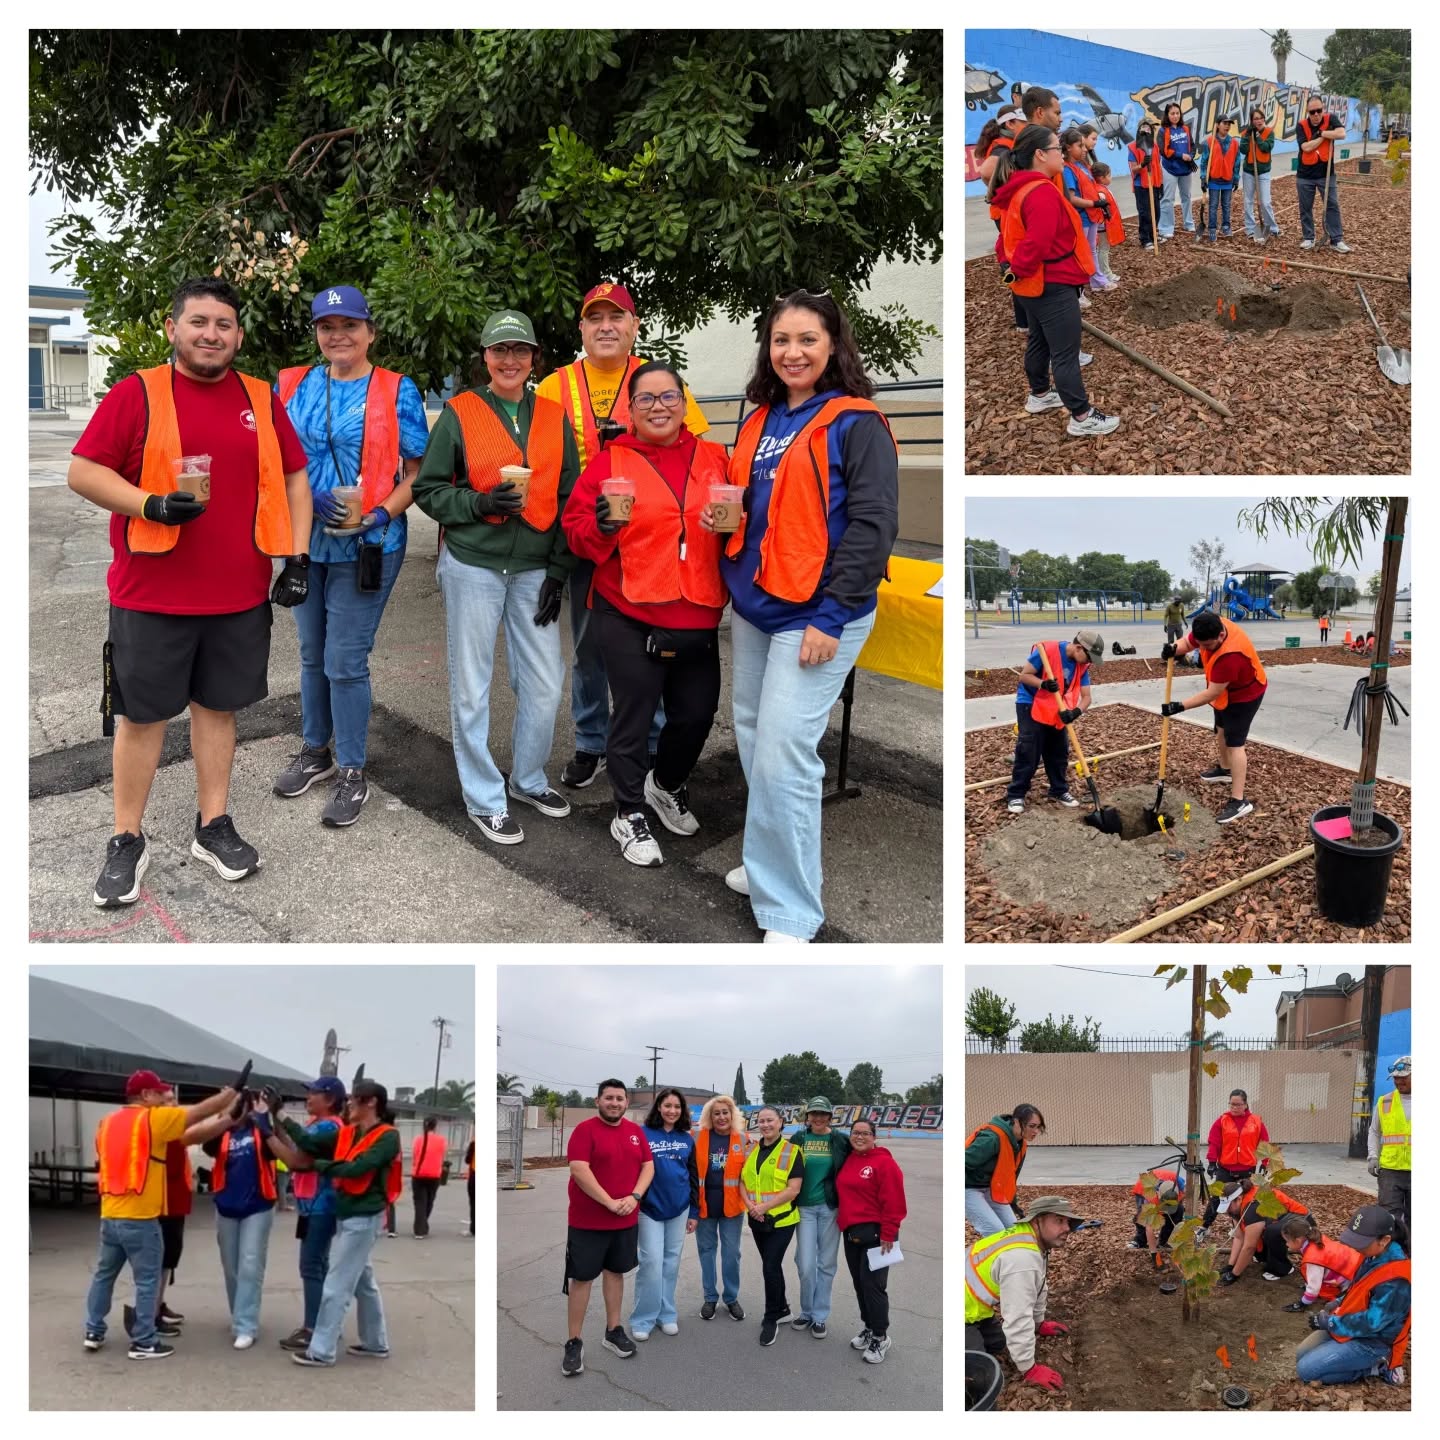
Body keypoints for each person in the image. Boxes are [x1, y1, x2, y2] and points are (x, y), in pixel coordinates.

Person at [68, 276, 313, 907]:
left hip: (237, 595)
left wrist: (298, 555)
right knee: (142, 718)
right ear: (174, 328)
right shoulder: (138, 392)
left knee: (218, 711)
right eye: (199, 322)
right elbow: (84, 471)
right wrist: (148, 503)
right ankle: (127, 837)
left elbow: (293, 476)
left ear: (238, 334)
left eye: (224, 325)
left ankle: (213, 824)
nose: (212, 334)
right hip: (151, 594)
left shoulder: (259, 397)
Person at [719, 291, 899, 942]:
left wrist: (832, 615)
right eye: (780, 340)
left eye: (807, 340)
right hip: (756, 605)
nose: (792, 352)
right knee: (753, 737)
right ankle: (765, 862)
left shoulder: (857, 423)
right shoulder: (759, 419)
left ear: (833, 347)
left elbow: (874, 527)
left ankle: (791, 911)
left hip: (817, 614)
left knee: (784, 757)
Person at [412, 309, 580, 844]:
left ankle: (528, 778)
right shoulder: (460, 412)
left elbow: (569, 497)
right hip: (473, 565)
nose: (510, 360)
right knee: (472, 688)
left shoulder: (554, 416)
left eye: (520, 351)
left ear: (535, 358)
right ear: (485, 357)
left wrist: (558, 569)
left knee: (545, 682)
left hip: (534, 568)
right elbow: (429, 490)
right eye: (499, 350)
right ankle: (484, 796)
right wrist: (480, 502)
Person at [535, 282, 709, 789]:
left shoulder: (655, 379)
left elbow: (694, 448)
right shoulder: (554, 386)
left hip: (652, 540)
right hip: (589, 533)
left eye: (618, 317)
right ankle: (591, 741)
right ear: (583, 329)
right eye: (596, 318)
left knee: (652, 646)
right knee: (590, 647)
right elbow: (542, 466)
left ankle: (650, 744)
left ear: (634, 327)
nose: (606, 326)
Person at [560, 362, 731, 867]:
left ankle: (666, 785)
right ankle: (628, 810)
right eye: (646, 399)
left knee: (697, 715)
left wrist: (728, 529)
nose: (659, 407)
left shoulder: (718, 458)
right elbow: (577, 535)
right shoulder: (611, 461)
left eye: (669, 397)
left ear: (684, 402)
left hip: (697, 609)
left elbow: (748, 523)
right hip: (627, 607)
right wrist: (604, 528)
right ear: (630, 410)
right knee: (632, 715)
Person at [271, 285, 429, 826]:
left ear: (369, 332)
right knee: (312, 653)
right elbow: (273, 459)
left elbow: (416, 472)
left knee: (344, 659)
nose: (338, 335)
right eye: (326, 326)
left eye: (349, 325)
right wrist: (303, 496)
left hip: (369, 545)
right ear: (316, 333)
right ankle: (316, 750)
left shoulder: (395, 389)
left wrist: (381, 513)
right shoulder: (292, 384)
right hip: (303, 543)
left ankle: (353, 769)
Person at [85, 1070, 237, 1358]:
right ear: (145, 1096)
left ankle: (93, 1330)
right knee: (147, 1281)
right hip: (141, 1217)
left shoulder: (106, 1123)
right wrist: (227, 1098)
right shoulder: (150, 1119)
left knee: (104, 1276)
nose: (162, 1099)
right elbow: (196, 1114)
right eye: (158, 1094)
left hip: (110, 1213)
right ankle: (143, 1341)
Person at [990, 128, 1118, 437]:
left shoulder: (1018, 189)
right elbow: (1037, 242)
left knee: (1040, 341)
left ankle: (1040, 394)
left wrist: (1012, 272)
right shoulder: (1041, 192)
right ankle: (1081, 415)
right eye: (1056, 147)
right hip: (1051, 283)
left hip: (1032, 286)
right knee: (1065, 352)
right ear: (1040, 154)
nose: (1061, 152)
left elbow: (1004, 240)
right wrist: (1016, 270)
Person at [276, 1078, 401, 1366]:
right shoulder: (348, 1133)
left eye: (354, 1099)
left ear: (371, 1103)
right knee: (363, 1283)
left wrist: (320, 1166)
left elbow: (358, 1169)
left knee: (337, 1284)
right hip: (348, 1214)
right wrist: (280, 1115)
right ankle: (375, 1343)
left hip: (365, 1216)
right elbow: (308, 1142)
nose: (349, 1104)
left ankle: (321, 1350)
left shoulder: (387, 1136)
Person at [121, 1080, 238, 1344]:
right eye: (168, 1100)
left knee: (167, 1261)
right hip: (163, 1203)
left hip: (173, 1202)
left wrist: (224, 1116)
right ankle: (148, 1316)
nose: (174, 1104)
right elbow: (197, 1131)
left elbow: (196, 1129)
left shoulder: (162, 1124)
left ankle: (155, 1308)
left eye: (174, 1100)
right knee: (159, 1263)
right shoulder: (160, 1127)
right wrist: (226, 1115)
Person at [561, 1079, 654, 1377]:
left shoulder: (635, 1132)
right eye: (609, 1098)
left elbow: (647, 1166)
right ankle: (574, 1341)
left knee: (615, 1274)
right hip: (587, 1223)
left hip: (624, 1222)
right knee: (582, 1279)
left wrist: (634, 1196)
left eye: (620, 1098)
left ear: (627, 1102)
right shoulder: (584, 1130)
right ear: (598, 1101)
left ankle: (613, 1330)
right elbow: (579, 1169)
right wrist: (610, 1202)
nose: (615, 1103)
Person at [964, 1195, 1086, 1393]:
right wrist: (1029, 1369)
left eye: (1068, 1222)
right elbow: (1018, 1317)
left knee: (998, 1344)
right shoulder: (1022, 1258)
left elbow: (1039, 1285)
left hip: (975, 1304)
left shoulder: (1029, 1238)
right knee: (976, 1375)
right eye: (1059, 1220)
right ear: (1037, 1220)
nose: (1067, 1228)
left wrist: (1038, 1323)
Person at [263, 1076, 346, 1353]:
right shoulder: (316, 1125)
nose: (308, 1097)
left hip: (320, 1206)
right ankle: (325, 1323)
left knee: (311, 1267)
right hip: (313, 1206)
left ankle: (314, 1328)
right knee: (317, 1266)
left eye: (314, 1093)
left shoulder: (329, 1127)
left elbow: (296, 1161)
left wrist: (267, 1132)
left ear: (330, 1099)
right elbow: (295, 1143)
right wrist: (275, 1122)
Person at [1161, 610, 1268, 824]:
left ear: (1220, 636)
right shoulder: (1208, 627)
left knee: (1235, 744)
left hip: (1245, 694)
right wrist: (1174, 648)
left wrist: (1178, 706)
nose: (1203, 649)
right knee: (1220, 731)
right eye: (1202, 645)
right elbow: (1189, 642)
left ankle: (1239, 801)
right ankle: (1225, 770)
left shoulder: (1230, 656)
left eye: (1207, 646)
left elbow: (1211, 693)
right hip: (1225, 693)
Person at [1294, 1205, 1408, 1385]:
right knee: (1301, 1354)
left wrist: (1331, 1323)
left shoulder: (1396, 1281)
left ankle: (1378, 1365)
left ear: (1384, 1240)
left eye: (1361, 1242)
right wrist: (1339, 1301)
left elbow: (1373, 1323)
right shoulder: (1372, 1255)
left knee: (1306, 1371)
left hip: (1373, 1341)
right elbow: (1359, 1289)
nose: (1355, 1247)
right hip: (1349, 1321)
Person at [202, 1089, 280, 1348]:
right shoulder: (222, 1133)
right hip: (226, 1206)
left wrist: (266, 1116)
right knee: (231, 1267)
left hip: (257, 1206)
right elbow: (207, 1145)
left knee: (250, 1264)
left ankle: (246, 1324)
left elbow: (277, 1148)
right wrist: (223, 1118)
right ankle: (239, 1314)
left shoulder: (260, 1131)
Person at [836, 1116, 907, 1365]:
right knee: (859, 1283)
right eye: (856, 1132)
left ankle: (881, 1336)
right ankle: (868, 1327)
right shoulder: (850, 1159)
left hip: (879, 1234)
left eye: (865, 1133)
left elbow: (895, 1202)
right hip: (852, 1232)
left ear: (874, 1136)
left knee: (873, 1286)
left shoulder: (884, 1164)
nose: (860, 1137)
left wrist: (889, 1232)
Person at [629, 1088, 698, 1341]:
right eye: (668, 1105)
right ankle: (643, 1318)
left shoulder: (687, 1138)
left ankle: (666, 1314)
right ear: (659, 1107)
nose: (672, 1111)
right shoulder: (643, 1134)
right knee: (651, 1263)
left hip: (679, 1210)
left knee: (671, 1264)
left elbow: (693, 1177)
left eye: (677, 1107)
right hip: (649, 1210)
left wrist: (695, 1211)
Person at [1005, 632, 1100, 814]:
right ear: (1079, 647)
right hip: (1031, 704)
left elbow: (1087, 697)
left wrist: (1075, 712)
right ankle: (1016, 794)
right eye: (1089, 657)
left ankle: (1059, 790)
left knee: (1059, 751)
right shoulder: (1047, 651)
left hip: (1057, 708)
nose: (1090, 662)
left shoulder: (1082, 666)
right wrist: (1043, 684)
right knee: (1029, 750)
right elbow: (1024, 676)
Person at [787, 1097, 853, 1338]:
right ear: (808, 1116)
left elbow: (859, 1157)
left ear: (829, 1116)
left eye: (822, 1114)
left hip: (829, 1208)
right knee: (805, 1265)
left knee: (826, 1263)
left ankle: (819, 1316)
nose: (818, 1118)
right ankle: (806, 1311)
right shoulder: (799, 1139)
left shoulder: (839, 1140)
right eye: (814, 1113)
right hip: (804, 1208)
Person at [741, 1106, 805, 1346]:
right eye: (761, 1121)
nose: (765, 1124)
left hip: (782, 1220)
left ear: (781, 1122)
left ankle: (771, 1317)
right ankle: (783, 1308)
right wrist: (750, 1206)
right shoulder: (751, 1149)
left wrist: (764, 1208)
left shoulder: (792, 1151)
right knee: (772, 1266)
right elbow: (742, 1181)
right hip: (757, 1219)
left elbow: (793, 1189)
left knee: (770, 1266)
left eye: (770, 1120)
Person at [692, 1094, 751, 1322]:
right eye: (716, 1113)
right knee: (706, 1252)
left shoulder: (743, 1139)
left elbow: (750, 1175)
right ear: (710, 1116)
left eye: (725, 1112)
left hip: (732, 1209)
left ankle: (731, 1298)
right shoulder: (697, 1136)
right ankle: (709, 1298)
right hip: (704, 1207)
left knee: (731, 1255)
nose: (721, 1117)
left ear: (732, 1115)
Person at [976, 108, 1032, 330]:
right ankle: (1025, 320)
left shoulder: (1008, 144)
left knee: (1014, 260)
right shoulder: (1002, 146)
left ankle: (1024, 319)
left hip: (1008, 212)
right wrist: (1003, 193)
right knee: (1017, 261)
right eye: (1023, 122)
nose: (1026, 126)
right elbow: (986, 172)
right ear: (1010, 124)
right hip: (1007, 214)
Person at [965, 1105, 1045, 1235]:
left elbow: (1010, 1177)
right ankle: (990, 1255)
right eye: (1031, 1126)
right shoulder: (992, 1138)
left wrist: (1013, 1204)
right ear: (1017, 1122)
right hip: (968, 1188)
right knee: (996, 1232)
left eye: (1038, 1127)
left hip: (991, 1189)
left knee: (1015, 1230)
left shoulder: (1020, 1144)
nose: (1036, 1131)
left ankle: (1013, 1255)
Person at [1198, 1087, 1271, 1227]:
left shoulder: (1256, 1122)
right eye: (1232, 1104)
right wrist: (1212, 1162)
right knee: (1217, 1197)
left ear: (1245, 1104)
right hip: (1225, 1168)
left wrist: (1265, 1162)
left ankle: (1243, 1226)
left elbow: (1264, 1144)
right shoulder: (1222, 1121)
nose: (1234, 1107)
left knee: (1246, 1198)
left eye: (1238, 1104)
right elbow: (1214, 1143)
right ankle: (1204, 1227)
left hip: (1247, 1168)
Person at [1217, 1177, 1309, 1284]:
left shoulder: (1252, 1208)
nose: (1227, 1211)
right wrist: (1230, 1265)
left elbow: (1249, 1247)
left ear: (1238, 1199)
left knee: (1272, 1232)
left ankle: (1283, 1268)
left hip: (1300, 1219)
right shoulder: (1236, 1208)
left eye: (1228, 1206)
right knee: (1261, 1240)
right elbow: (1239, 1237)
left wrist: (1234, 1274)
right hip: (1277, 1219)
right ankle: (1266, 1257)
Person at [1059, 127, 1109, 296]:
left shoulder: (1082, 165)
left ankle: (1096, 280)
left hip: (1091, 215)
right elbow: (1071, 198)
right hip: (1081, 217)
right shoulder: (1067, 170)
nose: (1085, 148)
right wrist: (1094, 203)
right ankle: (1079, 292)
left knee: (1091, 249)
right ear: (1068, 148)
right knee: (1080, 252)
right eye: (1080, 146)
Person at [1368, 1056, 1410, 1255]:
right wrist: (1372, 1156)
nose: (1399, 1081)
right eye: (1396, 1078)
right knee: (1389, 1217)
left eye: (1404, 1077)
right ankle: (1393, 1256)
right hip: (1391, 1170)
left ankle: (1410, 1256)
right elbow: (1374, 1131)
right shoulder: (1385, 1101)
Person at [1296, 99, 1350, 252]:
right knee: (1305, 207)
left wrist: (1322, 132)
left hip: (1326, 174)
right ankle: (1308, 237)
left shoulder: (1331, 118)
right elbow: (1306, 147)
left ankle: (1336, 239)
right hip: (1305, 174)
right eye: (1312, 112)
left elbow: (1341, 134)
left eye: (1319, 110)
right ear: (1308, 112)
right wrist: (1325, 137)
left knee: (1332, 205)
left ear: (1323, 109)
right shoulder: (1301, 126)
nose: (1316, 114)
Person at [1278, 1214, 1361, 1311]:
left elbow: (1314, 1287)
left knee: (1338, 1304)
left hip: (1352, 1280)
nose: (1286, 1244)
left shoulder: (1314, 1259)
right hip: (1354, 1267)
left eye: (1287, 1241)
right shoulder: (1317, 1239)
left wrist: (1303, 1303)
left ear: (1297, 1240)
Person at [1239, 107, 1281, 243]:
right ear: (1251, 121)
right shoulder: (1246, 133)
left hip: (1263, 171)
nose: (1258, 121)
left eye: (1260, 118)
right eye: (1255, 118)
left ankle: (1272, 228)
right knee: (1248, 201)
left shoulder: (1269, 133)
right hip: (1249, 171)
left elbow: (1266, 147)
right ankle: (1250, 228)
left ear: (1264, 119)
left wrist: (1257, 137)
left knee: (1265, 202)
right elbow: (1243, 150)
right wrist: (1248, 136)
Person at [1156, 102, 1197, 240]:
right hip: (1170, 168)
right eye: (1172, 113)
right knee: (1167, 198)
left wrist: (1191, 156)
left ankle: (1189, 223)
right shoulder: (1163, 131)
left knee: (1186, 197)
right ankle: (1166, 227)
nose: (1175, 116)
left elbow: (1192, 145)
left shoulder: (1185, 129)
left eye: (1177, 113)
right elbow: (1163, 150)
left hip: (1186, 169)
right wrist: (1181, 155)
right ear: (1167, 115)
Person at [1199, 115, 1239, 243]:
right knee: (1213, 205)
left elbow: (1237, 162)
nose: (1227, 126)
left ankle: (1226, 226)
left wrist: (1236, 178)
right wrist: (1203, 178)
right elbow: (1204, 161)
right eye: (1224, 123)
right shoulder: (1209, 142)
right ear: (1217, 125)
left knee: (1226, 205)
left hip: (1227, 178)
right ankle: (1212, 227)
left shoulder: (1234, 143)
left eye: (1229, 124)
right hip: (1214, 179)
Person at [1127, 1169, 1185, 1250]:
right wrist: (1153, 1251)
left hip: (1166, 1181)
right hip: (1142, 1187)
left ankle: (1163, 1241)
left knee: (1179, 1210)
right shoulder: (1149, 1197)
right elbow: (1148, 1228)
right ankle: (1140, 1241)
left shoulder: (1179, 1183)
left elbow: (1183, 1194)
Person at [1128, 122, 1163, 250]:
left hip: (1154, 183)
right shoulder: (1133, 147)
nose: (1148, 131)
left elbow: (1157, 166)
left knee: (1156, 211)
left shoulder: (1155, 147)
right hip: (1141, 185)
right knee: (1145, 213)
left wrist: (1161, 184)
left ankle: (1154, 234)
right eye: (1145, 128)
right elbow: (1133, 169)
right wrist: (1142, 164)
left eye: (1150, 129)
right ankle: (1145, 238)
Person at [411, 1116, 448, 1238]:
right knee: (429, 1201)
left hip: (419, 1174)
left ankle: (419, 1229)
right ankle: (423, 1224)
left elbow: (415, 1156)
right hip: (434, 1175)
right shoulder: (442, 1140)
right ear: (435, 1126)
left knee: (420, 1202)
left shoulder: (418, 1140)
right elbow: (442, 1155)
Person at [1089, 161, 1124, 287]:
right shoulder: (1101, 192)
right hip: (1103, 226)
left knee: (1101, 249)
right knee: (1103, 249)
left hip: (1102, 226)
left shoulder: (1100, 189)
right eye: (1109, 175)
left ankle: (1102, 272)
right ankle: (1105, 273)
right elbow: (1102, 208)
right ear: (1102, 178)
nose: (1111, 178)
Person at [465, 1136, 476, 1237]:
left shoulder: (474, 1143)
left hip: (474, 1175)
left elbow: (467, 1160)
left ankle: (474, 1229)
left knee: (474, 1202)